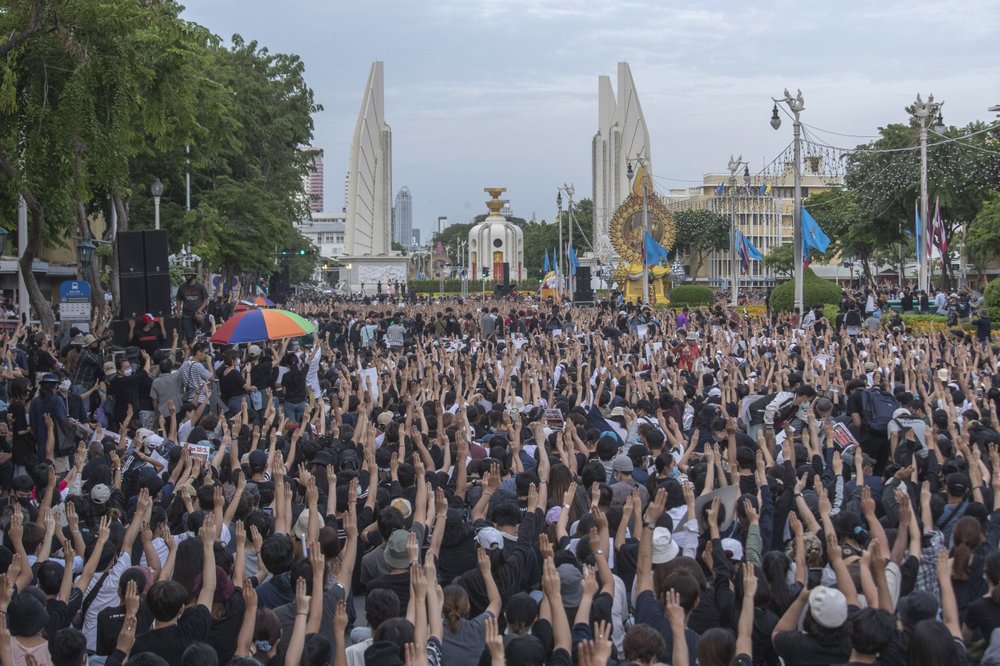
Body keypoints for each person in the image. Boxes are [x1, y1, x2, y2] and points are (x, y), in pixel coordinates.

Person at [176, 271, 209, 343]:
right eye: (185, 275)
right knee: (189, 336)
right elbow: (178, 300)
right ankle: (190, 344)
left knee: (199, 317)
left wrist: (200, 309)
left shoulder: (200, 286)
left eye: (188, 275)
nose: (186, 277)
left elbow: (205, 300)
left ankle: (199, 329)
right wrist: (178, 312)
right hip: (186, 313)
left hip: (198, 312)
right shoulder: (182, 287)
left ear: (193, 276)